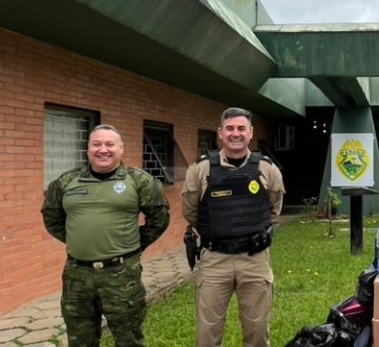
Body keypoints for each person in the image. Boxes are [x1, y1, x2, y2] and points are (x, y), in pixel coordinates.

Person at [41, 124, 170, 347]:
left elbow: (159, 218)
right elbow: (52, 218)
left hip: (121, 276)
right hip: (76, 276)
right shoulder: (65, 182)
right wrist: (78, 239)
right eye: (96, 144)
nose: (103, 150)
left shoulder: (139, 181)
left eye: (110, 144)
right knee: (80, 341)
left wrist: (135, 243)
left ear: (121, 149)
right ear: (87, 149)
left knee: (128, 339)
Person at [182, 107, 285, 347]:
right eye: (229, 128)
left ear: (251, 133)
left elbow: (273, 209)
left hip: (255, 259)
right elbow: (190, 212)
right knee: (206, 335)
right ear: (220, 133)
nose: (235, 133)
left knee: (258, 332)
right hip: (214, 260)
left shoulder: (267, 169)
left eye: (241, 128)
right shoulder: (201, 169)